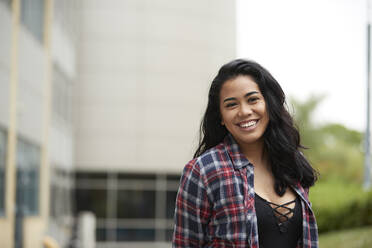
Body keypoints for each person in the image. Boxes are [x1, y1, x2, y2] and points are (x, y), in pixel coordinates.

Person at [172, 59, 319, 248]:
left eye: (252, 99)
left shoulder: (291, 163)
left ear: (268, 104)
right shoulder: (203, 171)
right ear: (221, 117)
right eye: (231, 104)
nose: (244, 111)